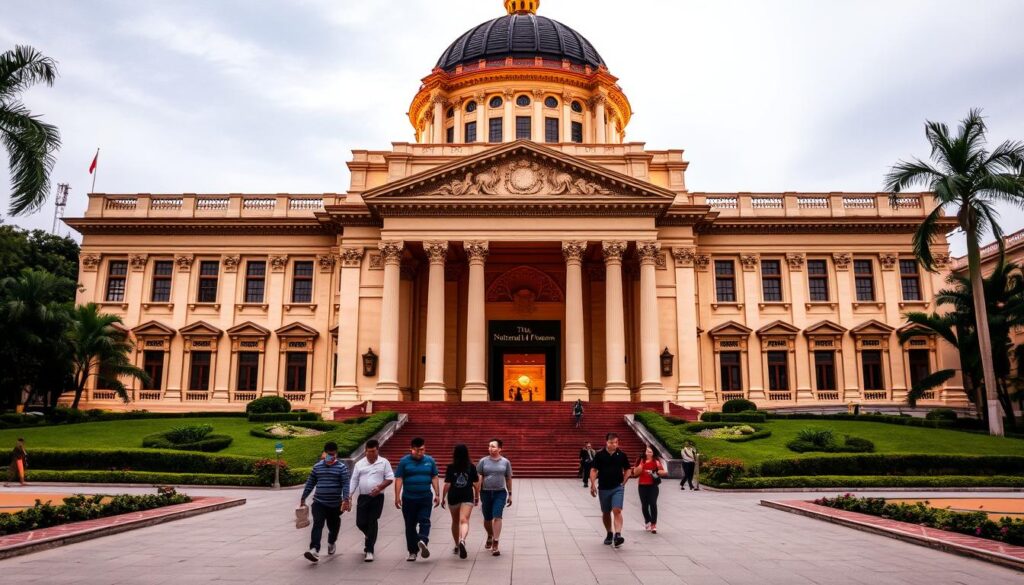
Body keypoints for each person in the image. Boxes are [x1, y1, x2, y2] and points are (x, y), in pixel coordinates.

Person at [300, 441, 352, 563]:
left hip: (335, 504)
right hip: (319, 502)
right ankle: (314, 549)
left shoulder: (341, 468)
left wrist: (345, 499)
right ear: (325, 453)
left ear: (336, 454)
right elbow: (310, 483)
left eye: (333, 454)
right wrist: (303, 497)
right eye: (329, 454)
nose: (331, 456)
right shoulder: (317, 467)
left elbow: (345, 484)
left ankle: (331, 541)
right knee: (318, 524)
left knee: (333, 527)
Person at [394, 437, 440, 562]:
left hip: (425, 497)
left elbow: (434, 477)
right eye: (418, 450)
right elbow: (399, 479)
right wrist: (397, 496)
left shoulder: (430, 461)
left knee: (425, 520)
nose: (421, 453)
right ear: (411, 449)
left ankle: (423, 541)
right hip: (409, 498)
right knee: (410, 525)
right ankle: (412, 552)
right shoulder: (404, 462)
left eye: (423, 450)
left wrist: (437, 494)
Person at [349, 439, 394, 562]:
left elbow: (390, 478)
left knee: (372, 521)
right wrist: (349, 494)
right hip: (363, 497)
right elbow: (354, 480)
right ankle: (369, 536)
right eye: (368, 452)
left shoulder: (384, 462)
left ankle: (369, 550)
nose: (370, 454)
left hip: (377, 497)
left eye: (373, 451)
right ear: (365, 451)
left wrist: (380, 487)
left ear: (377, 450)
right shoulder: (359, 464)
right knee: (360, 522)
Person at [590, 432, 631, 548]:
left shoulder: (622, 455)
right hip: (603, 487)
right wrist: (592, 484)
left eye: (616, 442)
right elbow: (593, 470)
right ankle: (609, 532)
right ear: (606, 442)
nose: (614, 445)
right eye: (611, 442)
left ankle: (617, 535)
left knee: (617, 510)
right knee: (606, 512)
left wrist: (624, 481)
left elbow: (628, 469)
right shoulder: (600, 455)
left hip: (617, 487)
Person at [441, 444, 480, 559]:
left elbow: (447, 484)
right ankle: (463, 540)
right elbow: (476, 484)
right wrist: (477, 496)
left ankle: (457, 545)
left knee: (455, 521)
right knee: (464, 520)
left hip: (453, 496)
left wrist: (443, 497)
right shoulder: (472, 467)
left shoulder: (451, 467)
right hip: (467, 495)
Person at [477, 438, 513, 556]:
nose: (490, 448)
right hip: (485, 492)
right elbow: (478, 478)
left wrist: (510, 493)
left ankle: (496, 542)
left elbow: (508, 478)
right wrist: (476, 494)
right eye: (489, 446)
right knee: (487, 519)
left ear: (500, 449)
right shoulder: (483, 461)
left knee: (497, 516)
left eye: (493, 446)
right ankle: (490, 534)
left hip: (500, 492)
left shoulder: (505, 462)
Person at [633, 444, 667, 533]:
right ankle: (647, 520)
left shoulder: (656, 461)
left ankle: (653, 524)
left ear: (653, 453)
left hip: (653, 486)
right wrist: (641, 465)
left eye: (650, 452)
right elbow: (635, 473)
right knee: (644, 505)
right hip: (642, 485)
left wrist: (655, 472)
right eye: (647, 451)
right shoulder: (640, 460)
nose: (648, 453)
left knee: (653, 503)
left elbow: (663, 472)